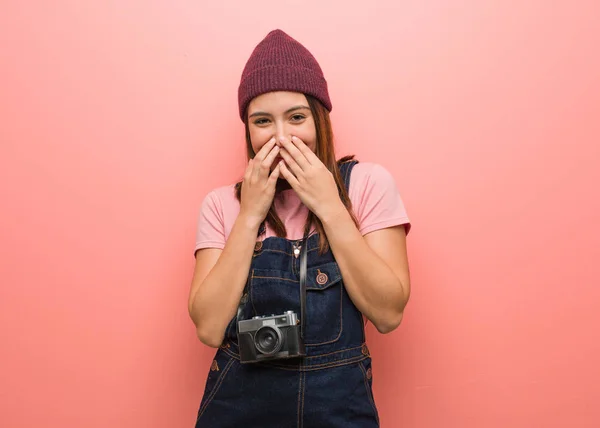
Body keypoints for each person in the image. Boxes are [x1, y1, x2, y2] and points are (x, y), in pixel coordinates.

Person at [188, 29, 411, 428]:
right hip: (238, 407)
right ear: (248, 131)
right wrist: (250, 216)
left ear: (319, 119)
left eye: (296, 117)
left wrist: (330, 206)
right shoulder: (222, 205)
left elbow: (388, 313)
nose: (281, 136)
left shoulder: (367, 185)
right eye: (262, 121)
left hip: (340, 408)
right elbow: (208, 327)